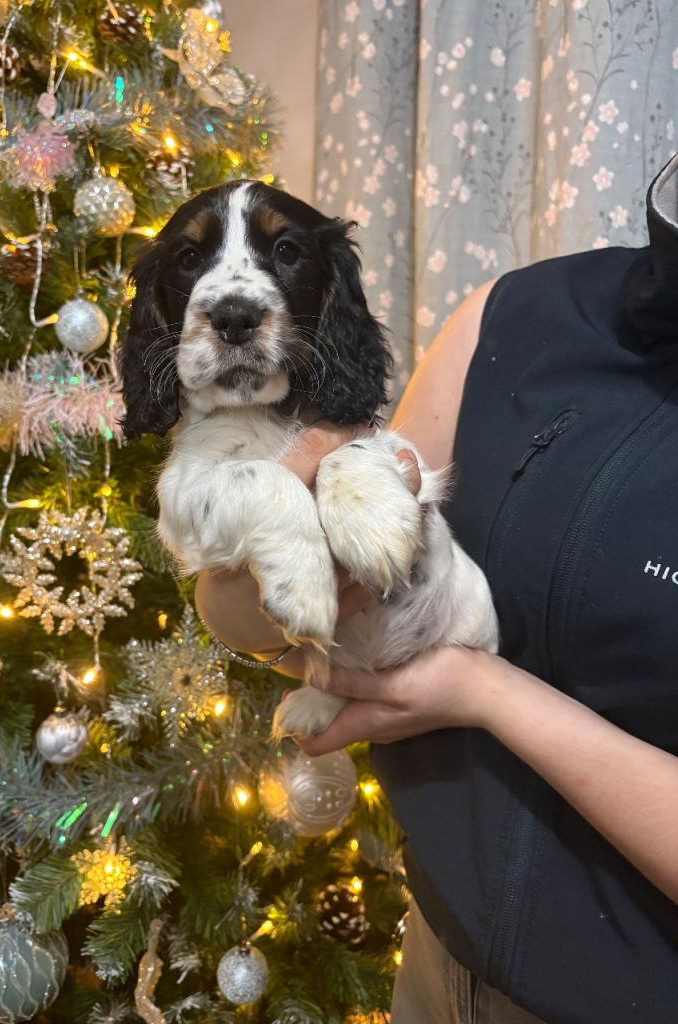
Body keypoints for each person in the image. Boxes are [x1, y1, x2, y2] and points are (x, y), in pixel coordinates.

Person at [196, 152, 678, 1023]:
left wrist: (483, 692)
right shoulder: (522, 314)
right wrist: (268, 565)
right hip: (433, 952)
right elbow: (258, 609)